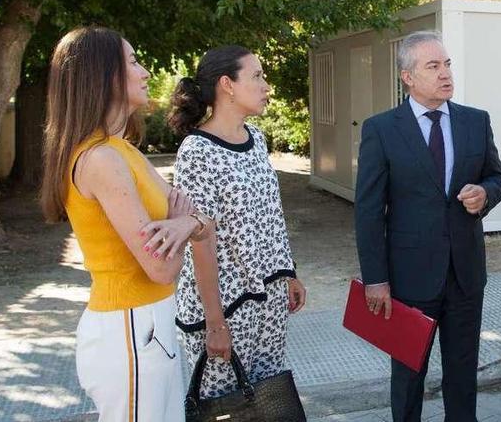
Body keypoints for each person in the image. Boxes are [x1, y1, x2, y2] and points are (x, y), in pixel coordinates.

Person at [41, 26, 213, 421]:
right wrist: (186, 223)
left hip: (148, 324)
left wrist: (185, 224)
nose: (146, 71)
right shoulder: (100, 158)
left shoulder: (121, 150)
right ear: (104, 75)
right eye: (133, 61)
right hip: (130, 327)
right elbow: (161, 267)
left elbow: (200, 221)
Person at [355, 31, 501, 422]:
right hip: (408, 280)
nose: (445, 74)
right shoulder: (382, 129)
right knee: (408, 378)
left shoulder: (475, 121)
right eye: (433, 66)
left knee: (462, 377)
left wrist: (484, 194)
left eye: (447, 64)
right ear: (408, 76)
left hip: (465, 274)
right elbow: (369, 211)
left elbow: (497, 177)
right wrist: (376, 278)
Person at [167, 45, 307, 399]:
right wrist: (215, 323)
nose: (266, 85)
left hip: (270, 299)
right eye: (257, 76)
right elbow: (200, 240)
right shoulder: (197, 151)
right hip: (226, 309)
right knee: (226, 406)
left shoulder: (256, 139)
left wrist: (289, 273)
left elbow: (271, 214)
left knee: (267, 401)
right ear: (227, 84)